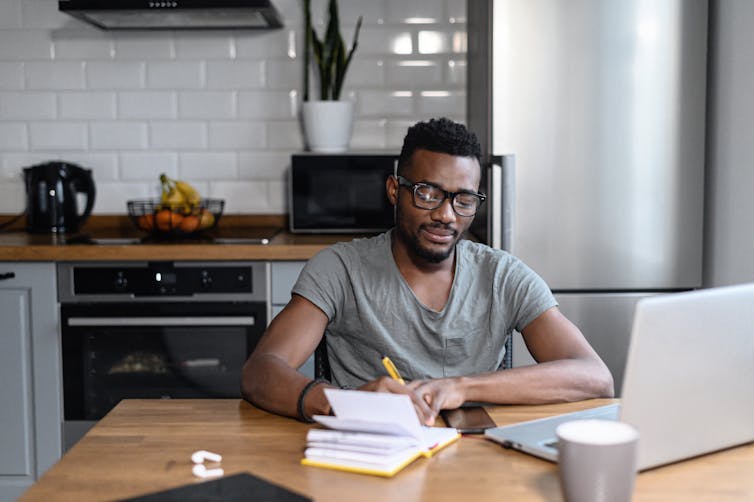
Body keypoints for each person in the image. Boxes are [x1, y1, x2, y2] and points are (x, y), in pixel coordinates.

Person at [241, 117, 614, 425]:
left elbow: (595, 378)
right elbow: (259, 372)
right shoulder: (338, 269)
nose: (446, 215)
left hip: (473, 463)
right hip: (366, 458)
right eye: (428, 193)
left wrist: (462, 387)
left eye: (463, 199)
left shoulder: (502, 275)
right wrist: (341, 401)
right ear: (394, 190)